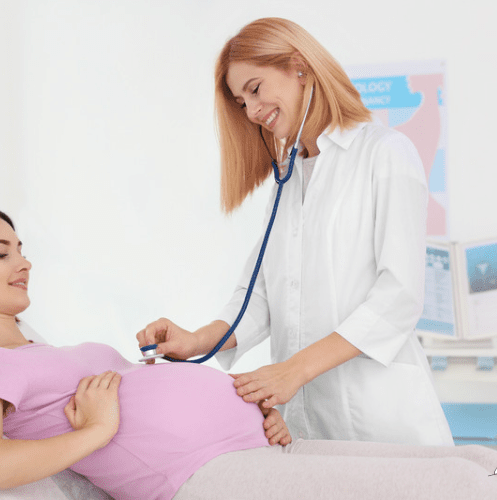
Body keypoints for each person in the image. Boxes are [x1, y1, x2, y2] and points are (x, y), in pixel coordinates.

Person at [0, 206, 497, 500]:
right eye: (2, 252)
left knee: (478, 461)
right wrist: (102, 429)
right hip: (205, 478)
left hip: (256, 446)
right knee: (458, 490)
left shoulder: (48, 349)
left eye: (20, 247)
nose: (24, 262)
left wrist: (249, 414)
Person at [138, 17, 452, 446]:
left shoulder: (385, 153)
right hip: (305, 427)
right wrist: (195, 341)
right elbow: (261, 297)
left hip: (384, 423)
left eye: (254, 88)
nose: (250, 111)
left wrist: (293, 370)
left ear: (299, 67)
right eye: (240, 101)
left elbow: (398, 297)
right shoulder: (288, 179)